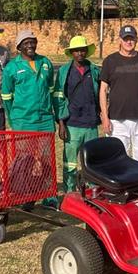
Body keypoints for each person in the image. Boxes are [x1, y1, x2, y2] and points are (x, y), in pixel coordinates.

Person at [99, 24, 138, 165]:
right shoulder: (110, 61)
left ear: (136, 40)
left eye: (131, 38)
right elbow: (103, 90)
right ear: (120, 40)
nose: (129, 42)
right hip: (116, 120)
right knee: (117, 159)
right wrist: (105, 117)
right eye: (126, 39)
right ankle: (121, 186)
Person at [53, 35, 101, 192]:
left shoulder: (94, 70)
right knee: (70, 163)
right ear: (71, 53)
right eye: (76, 50)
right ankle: (69, 192)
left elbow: (101, 93)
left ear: (86, 51)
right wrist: (61, 123)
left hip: (91, 123)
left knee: (92, 160)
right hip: (72, 124)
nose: (80, 53)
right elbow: (59, 97)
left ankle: (92, 190)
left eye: (82, 50)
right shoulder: (64, 72)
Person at [0, 30, 56, 132]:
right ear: (19, 47)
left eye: (32, 42)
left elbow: (51, 90)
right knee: (24, 149)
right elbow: (6, 98)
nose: (30, 45)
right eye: (25, 43)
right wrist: (14, 119)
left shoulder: (45, 62)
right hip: (23, 122)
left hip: (45, 121)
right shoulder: (11, 67)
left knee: (47, 149)